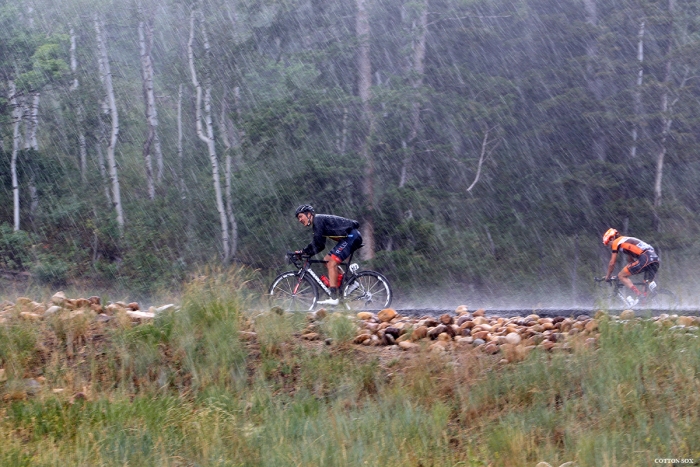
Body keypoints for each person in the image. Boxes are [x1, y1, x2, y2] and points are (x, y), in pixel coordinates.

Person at [294, 204, 362, 305]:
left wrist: (303, 251)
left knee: (331, 263)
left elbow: (318, 243)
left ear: (308, 214)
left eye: (300, 216)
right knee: (327, 260)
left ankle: (334, 297)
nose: (299, 220)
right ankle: (349, 283)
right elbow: (320, 245)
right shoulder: (317, 223)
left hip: (352, 236)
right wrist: (306, 252)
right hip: (349, 237)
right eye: (298, 218)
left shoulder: (318, 220)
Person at [602, 228, 660, 306]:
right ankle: (643, 304)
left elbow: (612, 263)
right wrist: (631, 267)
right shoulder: (626, 240)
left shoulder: (616, 242)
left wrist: (608, 276)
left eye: (608, 243)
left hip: (646, 257)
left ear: (612, 238)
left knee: (621, 275)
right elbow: (630, 259)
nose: (609, 246)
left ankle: (639, 295)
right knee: (646, 283)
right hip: (655, 259)